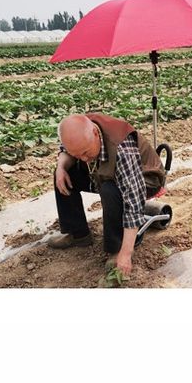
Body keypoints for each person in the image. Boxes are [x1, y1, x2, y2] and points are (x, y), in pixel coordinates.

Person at [53, 108, 172, 278]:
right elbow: (66, 150)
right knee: (66, 172)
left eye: (86, 152)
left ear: (95, 133)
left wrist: (126, 252)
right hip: (104, 172)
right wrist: (61, 167)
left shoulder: (122, 148)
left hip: (145, 179)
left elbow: (133, 202)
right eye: (78, 154)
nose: (84, 159)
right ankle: (78, 234)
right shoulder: (80, 129)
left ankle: (116, 248)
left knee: (110, 189)